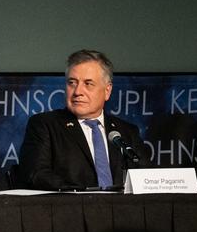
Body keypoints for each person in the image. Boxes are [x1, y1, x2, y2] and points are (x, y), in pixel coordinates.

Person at [18, 49, 151, 190]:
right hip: (69, 208)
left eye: (88, 84)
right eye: (72, 83)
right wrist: (80, 194)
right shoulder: (45, 125)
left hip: (120, 210)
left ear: (107, 90)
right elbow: (36, 174)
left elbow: (146, 177)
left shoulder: (126, 131)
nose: (78, 92)